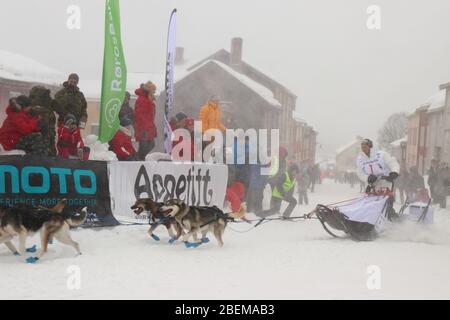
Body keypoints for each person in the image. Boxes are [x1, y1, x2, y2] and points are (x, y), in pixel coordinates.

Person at [356, 138, 400, 220]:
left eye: (365, 146)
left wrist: (394, 172)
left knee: (386, 204)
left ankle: (392, 219)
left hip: (385, 182)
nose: (363, 148)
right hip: (372, 184)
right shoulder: (360, 159)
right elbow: (359, 173)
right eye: (362, 146)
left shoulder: (381, 154)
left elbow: (393, 163)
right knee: (370, 204)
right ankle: (369, 220)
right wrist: (367, 177)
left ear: (370, 146)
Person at [29, 85, 58, 156]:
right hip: (43, 132)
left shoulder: (48, 101)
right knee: (48, 152)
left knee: (43, 151)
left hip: (44, 132)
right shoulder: (48, 101)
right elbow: (60, 109)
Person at [134, 81, 157, 160]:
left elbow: (149, 117)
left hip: (147, 128)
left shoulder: (147, 99)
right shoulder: (142, 100)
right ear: (150, 90)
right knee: (144, 148)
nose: (155, 92)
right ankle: (139, 161)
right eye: (154, 90)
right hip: (143, 129)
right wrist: (145, 129)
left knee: (150, 145)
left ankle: (139, 160)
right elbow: (139, 116)